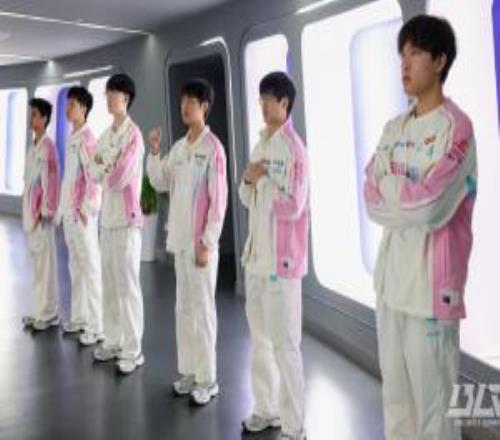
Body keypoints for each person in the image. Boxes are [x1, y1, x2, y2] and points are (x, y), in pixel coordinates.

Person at [363, 15, 477, 440]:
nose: (405, 64)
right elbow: (370, 197)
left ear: (440, 60)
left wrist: (392, 186)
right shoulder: (394, 128)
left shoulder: (457, 128)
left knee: (436, 412)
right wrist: (405, 189)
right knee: (396, 402)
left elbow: (431, 208)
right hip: (391, 286)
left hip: (430, 293)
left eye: (415, 53)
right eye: (402, 55)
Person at [147, 78, 228, 405]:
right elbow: (159, 180)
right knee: (184, 310)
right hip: (179, 243)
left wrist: (207, 242)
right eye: (183, 101)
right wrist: (155, 151)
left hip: (200, 247)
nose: (184, 107)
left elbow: (218, 202)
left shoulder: (213, 149)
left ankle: (208, 379)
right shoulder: (180, 148)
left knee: (203, 311)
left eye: (191, 101)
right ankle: (190, 372)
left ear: (204, 107)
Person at [239, 71, 309, 440]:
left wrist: (263, 182)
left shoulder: (294, 149)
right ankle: (266, 410)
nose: (263, 106)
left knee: (285, 346)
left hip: (282, 265)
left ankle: (294, 426)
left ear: (285, 102)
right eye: (261, 99)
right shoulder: (260, 144)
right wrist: (251, 180)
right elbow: (244, 195)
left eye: (269, 99)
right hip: (256, 260)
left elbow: (294, 205)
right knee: (260, 342)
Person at [85, 73, 146, 374]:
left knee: (127, 287)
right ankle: (113, 340)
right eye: (107, 93)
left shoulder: (133, 135)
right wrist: (106, 163)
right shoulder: (107, 134)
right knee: (109, 283)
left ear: (126, 98)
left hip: (126, 221)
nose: (109, 98)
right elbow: (92, 171)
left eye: (114, 93)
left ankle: (133, 350)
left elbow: (118, 177)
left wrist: (104, 165)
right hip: (106, 220)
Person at [57, 86, 103, 346]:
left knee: (90, 268)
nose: (68, 108)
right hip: (70, 214)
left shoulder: (88, 139)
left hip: (83, 216)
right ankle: (80, 317)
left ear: (84, 109)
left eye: (73, 104)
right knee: (75, 267)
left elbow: (94, 178)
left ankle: (97, 326)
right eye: (68, 104)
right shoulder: (72, 137)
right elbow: (70, 179)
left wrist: (87, 209)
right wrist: (63, 210)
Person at [21, 98, 60, 331]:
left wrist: (46, 211)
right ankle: (38, 311)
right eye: (31, 113)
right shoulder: (33, 147)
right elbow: (28, 180)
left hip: (42, 217)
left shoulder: (48, 147)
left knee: (46, 266)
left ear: (44, 119)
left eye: (35, 114)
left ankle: (49, 313)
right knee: (37, 267)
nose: (31, 117)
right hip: (31, 216)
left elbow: (52, 183)